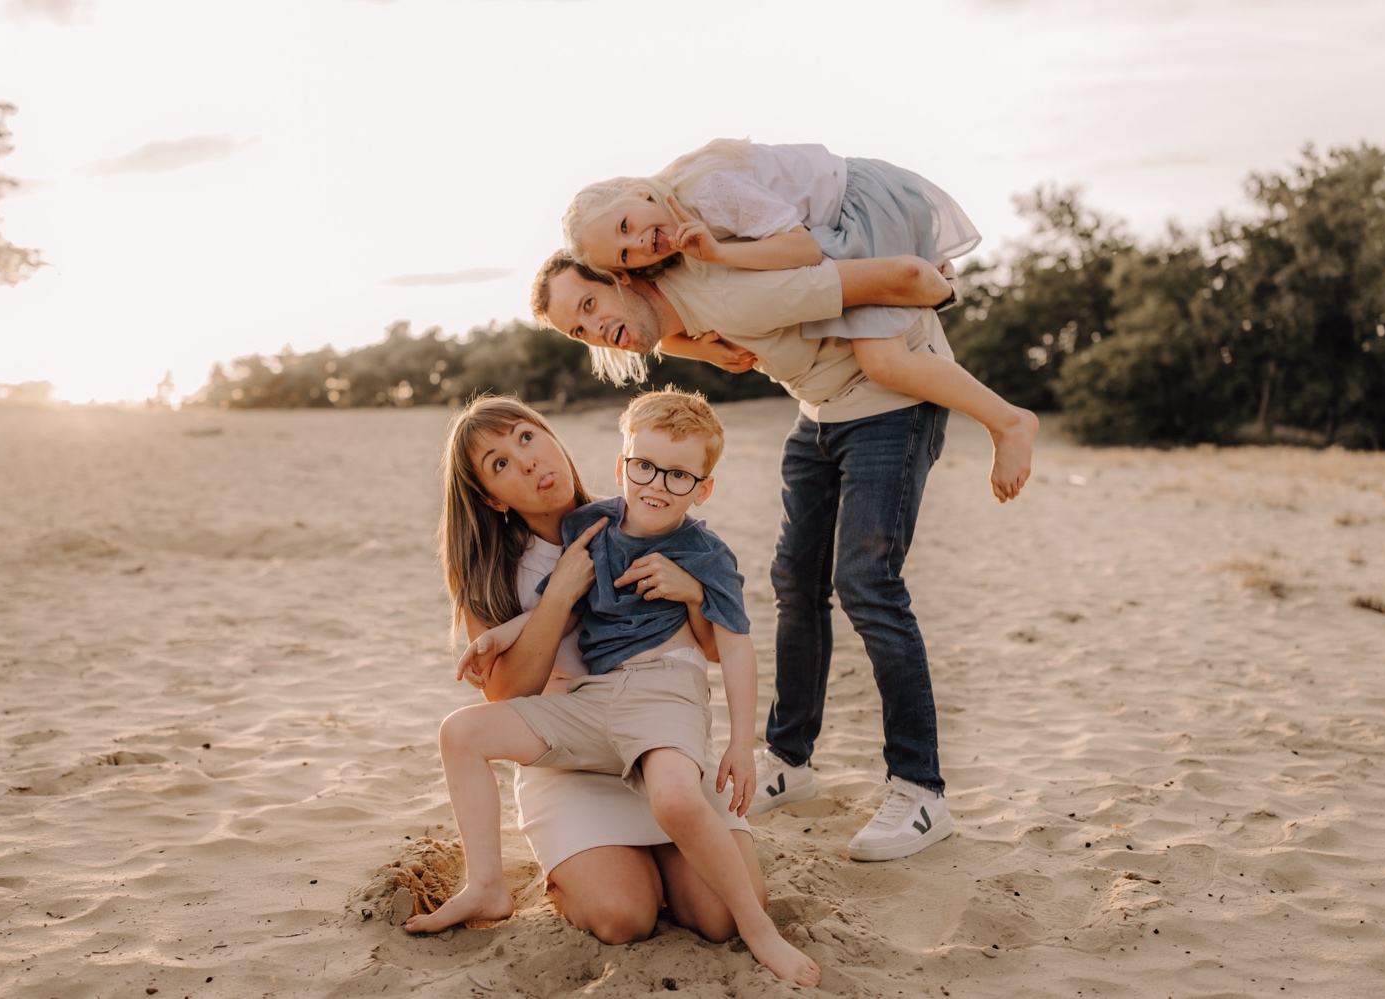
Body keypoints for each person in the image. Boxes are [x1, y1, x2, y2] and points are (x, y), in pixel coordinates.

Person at [531, 250, 956, 862]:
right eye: (578, 327)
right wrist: (704, 351)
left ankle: (920, 788)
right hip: (820, 413)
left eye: (591, 306)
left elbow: (824, 261)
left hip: (889, 402)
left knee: (867, 583)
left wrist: (925, 276)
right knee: (795, 583)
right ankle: (790, 759)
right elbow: (677, 328)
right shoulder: (680, 314)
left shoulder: (722, 271)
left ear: (621, 277)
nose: (594, 330)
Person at [411, 391, 821, 987]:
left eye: (526, 438)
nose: (525, 461)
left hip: (657, 720)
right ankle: (497, 884)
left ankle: (677, 865)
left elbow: (719, 646)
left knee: (715, 918)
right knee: (623, 916)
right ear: (490, 495)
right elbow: (507, 693)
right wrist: (541, 608)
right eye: (498, 463)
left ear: (553, 436)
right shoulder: (502, 564)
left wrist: (691, 591)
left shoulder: (641, 520)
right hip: (575, 747)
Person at [562, 138, 1038, 502]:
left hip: (862, 201)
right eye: (625, 254)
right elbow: (662, 330)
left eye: (627, 226)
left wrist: (721, 251)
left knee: (884, 361)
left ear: (634, 189)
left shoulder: (707, 192)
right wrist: (702, 347)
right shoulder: (668, 226)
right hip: (840, 223)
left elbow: (804, 249)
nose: (640, 243)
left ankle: (1008, 421)